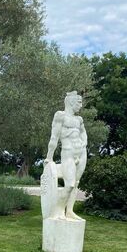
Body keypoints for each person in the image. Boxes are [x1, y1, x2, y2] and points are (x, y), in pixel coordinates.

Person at [44, 91, 87, 220]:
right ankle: (58, 210)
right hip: (68, 152)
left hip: (81, 153)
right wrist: (49, 157)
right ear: (71, 102)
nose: (81, 105)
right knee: (70, 184)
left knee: (76, 183)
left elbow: (83, 133)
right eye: (79, 102)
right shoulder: (60, 116)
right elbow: (54, 137)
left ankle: (69, 211)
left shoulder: (79, 119)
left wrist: (84, 143)